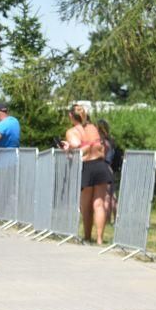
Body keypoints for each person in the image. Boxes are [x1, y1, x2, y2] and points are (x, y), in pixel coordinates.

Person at [63, 104, 113, 245]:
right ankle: (99, 239)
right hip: (100, 165)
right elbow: (101, 145)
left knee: (85, 205)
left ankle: (87, 236)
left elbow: (77, 145)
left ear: (71, 116)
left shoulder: (72, 131)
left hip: (86, 166)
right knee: (99, 204)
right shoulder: (93, 128)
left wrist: (68, 147)